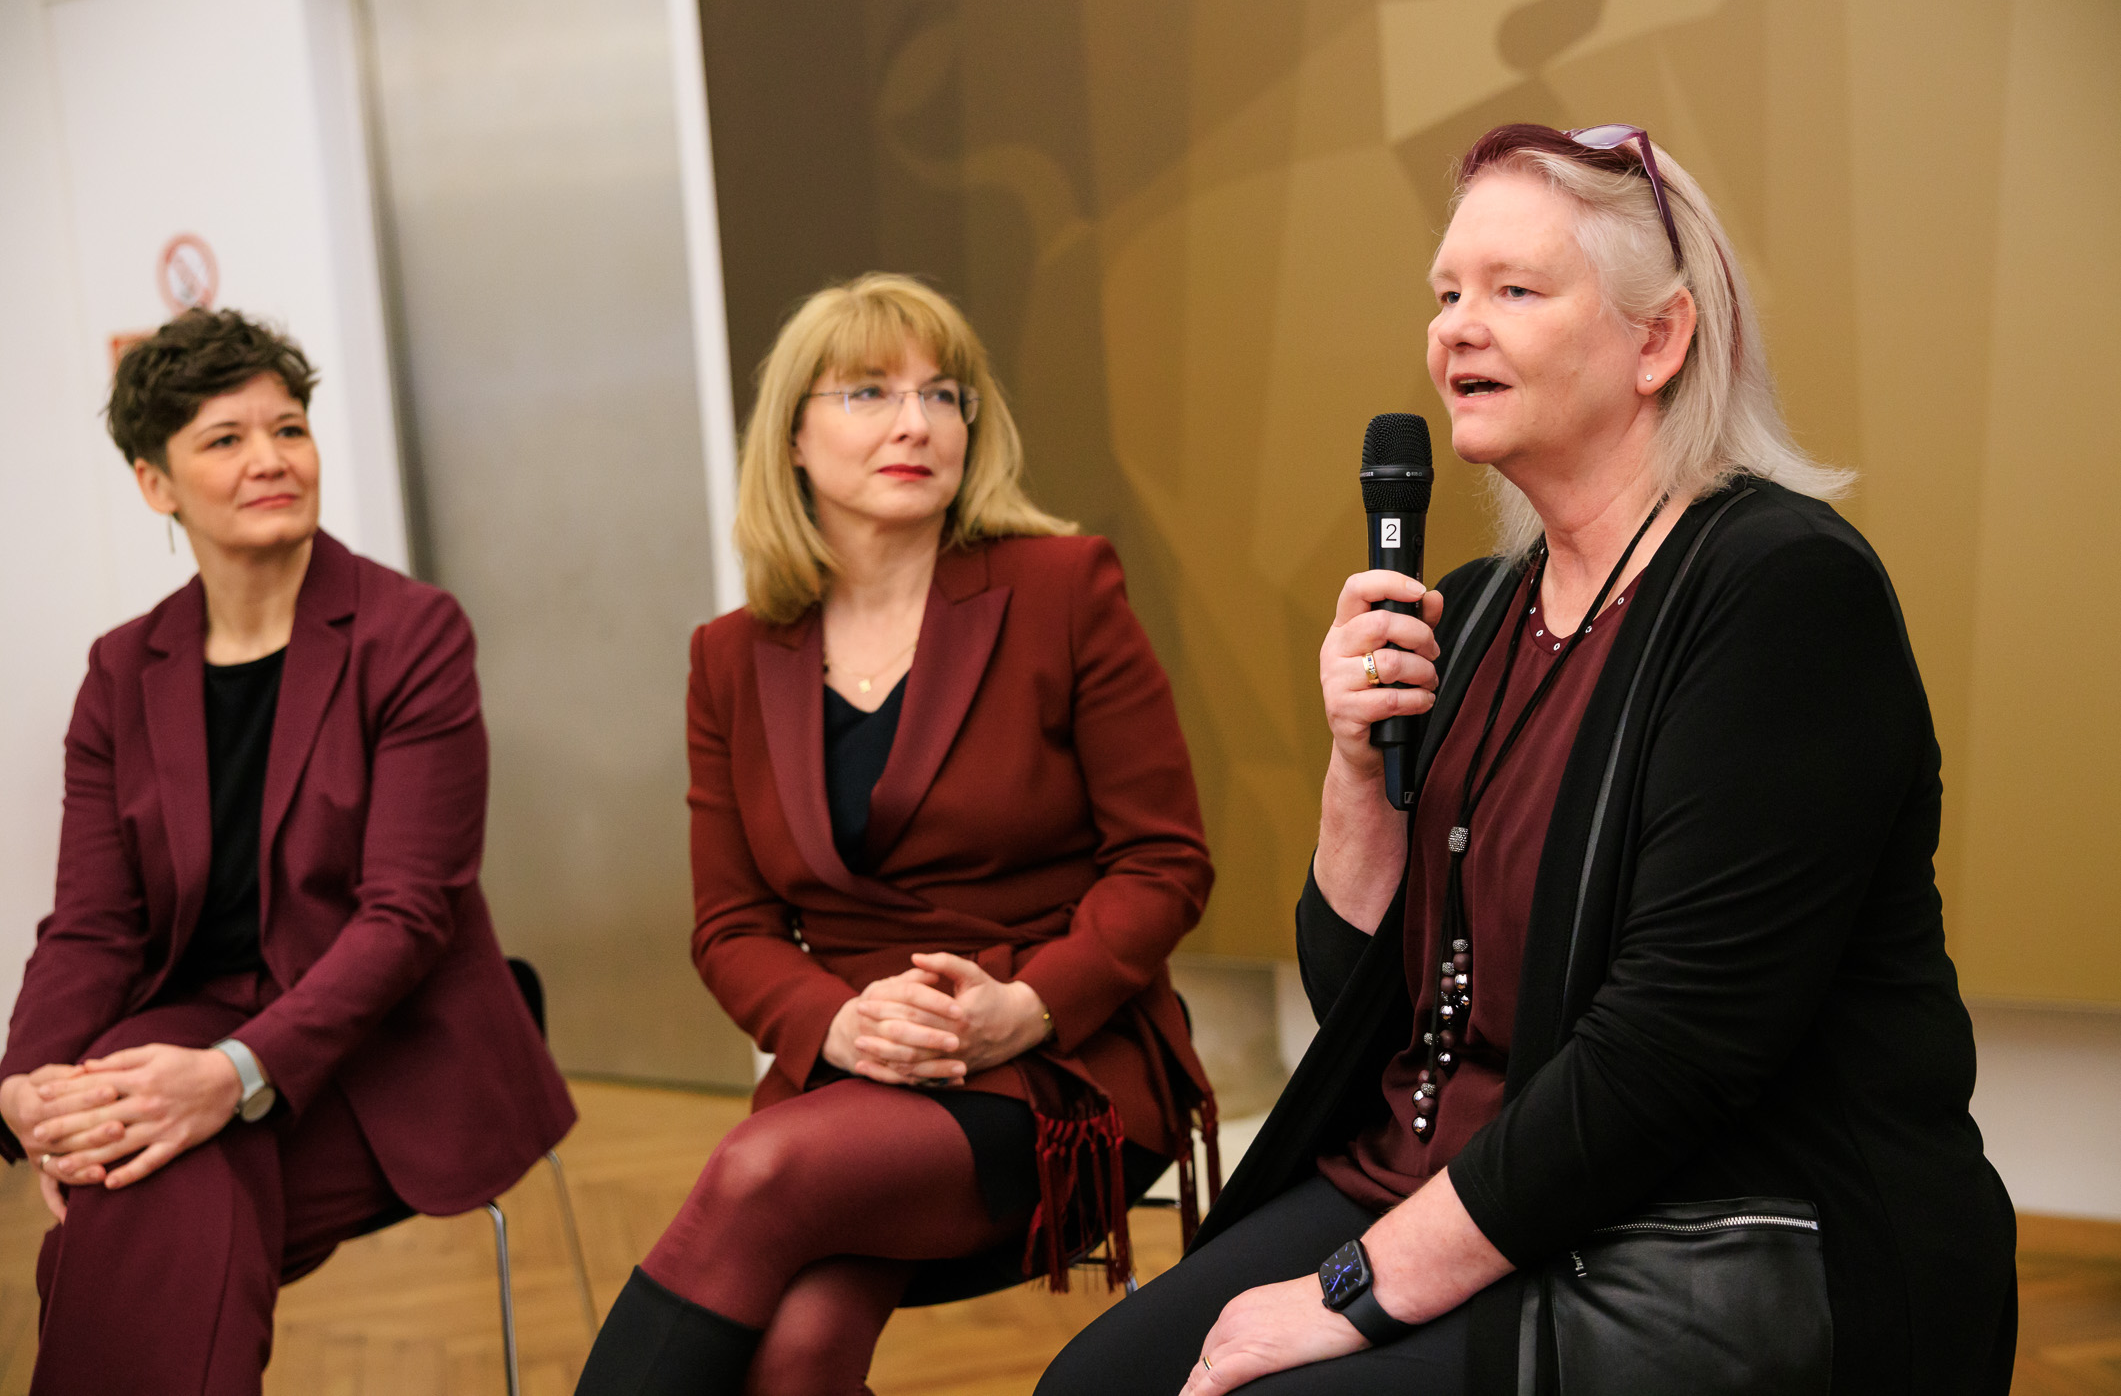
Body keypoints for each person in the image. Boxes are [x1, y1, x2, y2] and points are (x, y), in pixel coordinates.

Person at [1039, 123, 2017, 1396]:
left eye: (1512, 290)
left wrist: (1352, 1291)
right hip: (1436, 1179)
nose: (1456, 328)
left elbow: (1669, 1057)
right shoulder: (1476, 609)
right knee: (1092, 1385)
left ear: (1659, 341)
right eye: (1445, 293)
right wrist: (1356, 765)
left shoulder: (1781, 593)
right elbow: (1364, 1003)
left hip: (1694, 1236)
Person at [573, 273, 1218, 1396]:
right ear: (792, 440)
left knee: (759, 1172)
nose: (916, 422)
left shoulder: (1063, 588)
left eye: (942, 394)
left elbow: (1165, 863)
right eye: (868, 392)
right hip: (854, 1071)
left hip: (1061, 1063)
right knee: (796, 1355)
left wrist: (1026, 1006)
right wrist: (838, 1023)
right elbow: (731, 926)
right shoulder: (731, 657)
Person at [0, 309, 575, 1396]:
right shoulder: (122, 672)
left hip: (388, 1055)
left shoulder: (412, 634)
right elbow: (92, 923)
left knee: (131, 1202)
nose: (270, 458)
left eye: (289, 429)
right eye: (225, 439)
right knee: (145, 1182)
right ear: (155, 484)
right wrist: (27, 1085)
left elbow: (408, 915)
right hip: (187, 1029)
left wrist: (229, 1077)